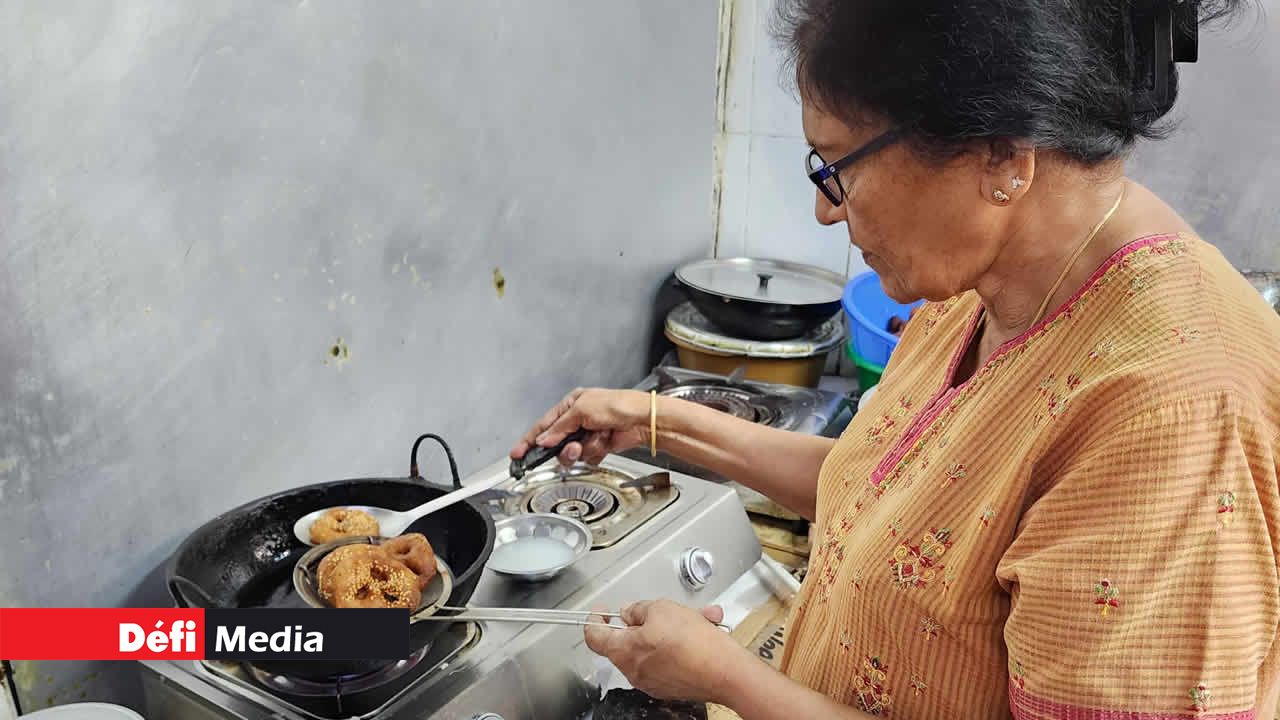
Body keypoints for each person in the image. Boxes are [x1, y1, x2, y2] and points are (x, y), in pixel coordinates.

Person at [511, 1, 1280, 717]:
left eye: (838, 165)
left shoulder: (1165, 418)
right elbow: (895, 506)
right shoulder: (981, 284)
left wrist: (726, 678)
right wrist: (654, 420)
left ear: (1003, 153)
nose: (824, 208)